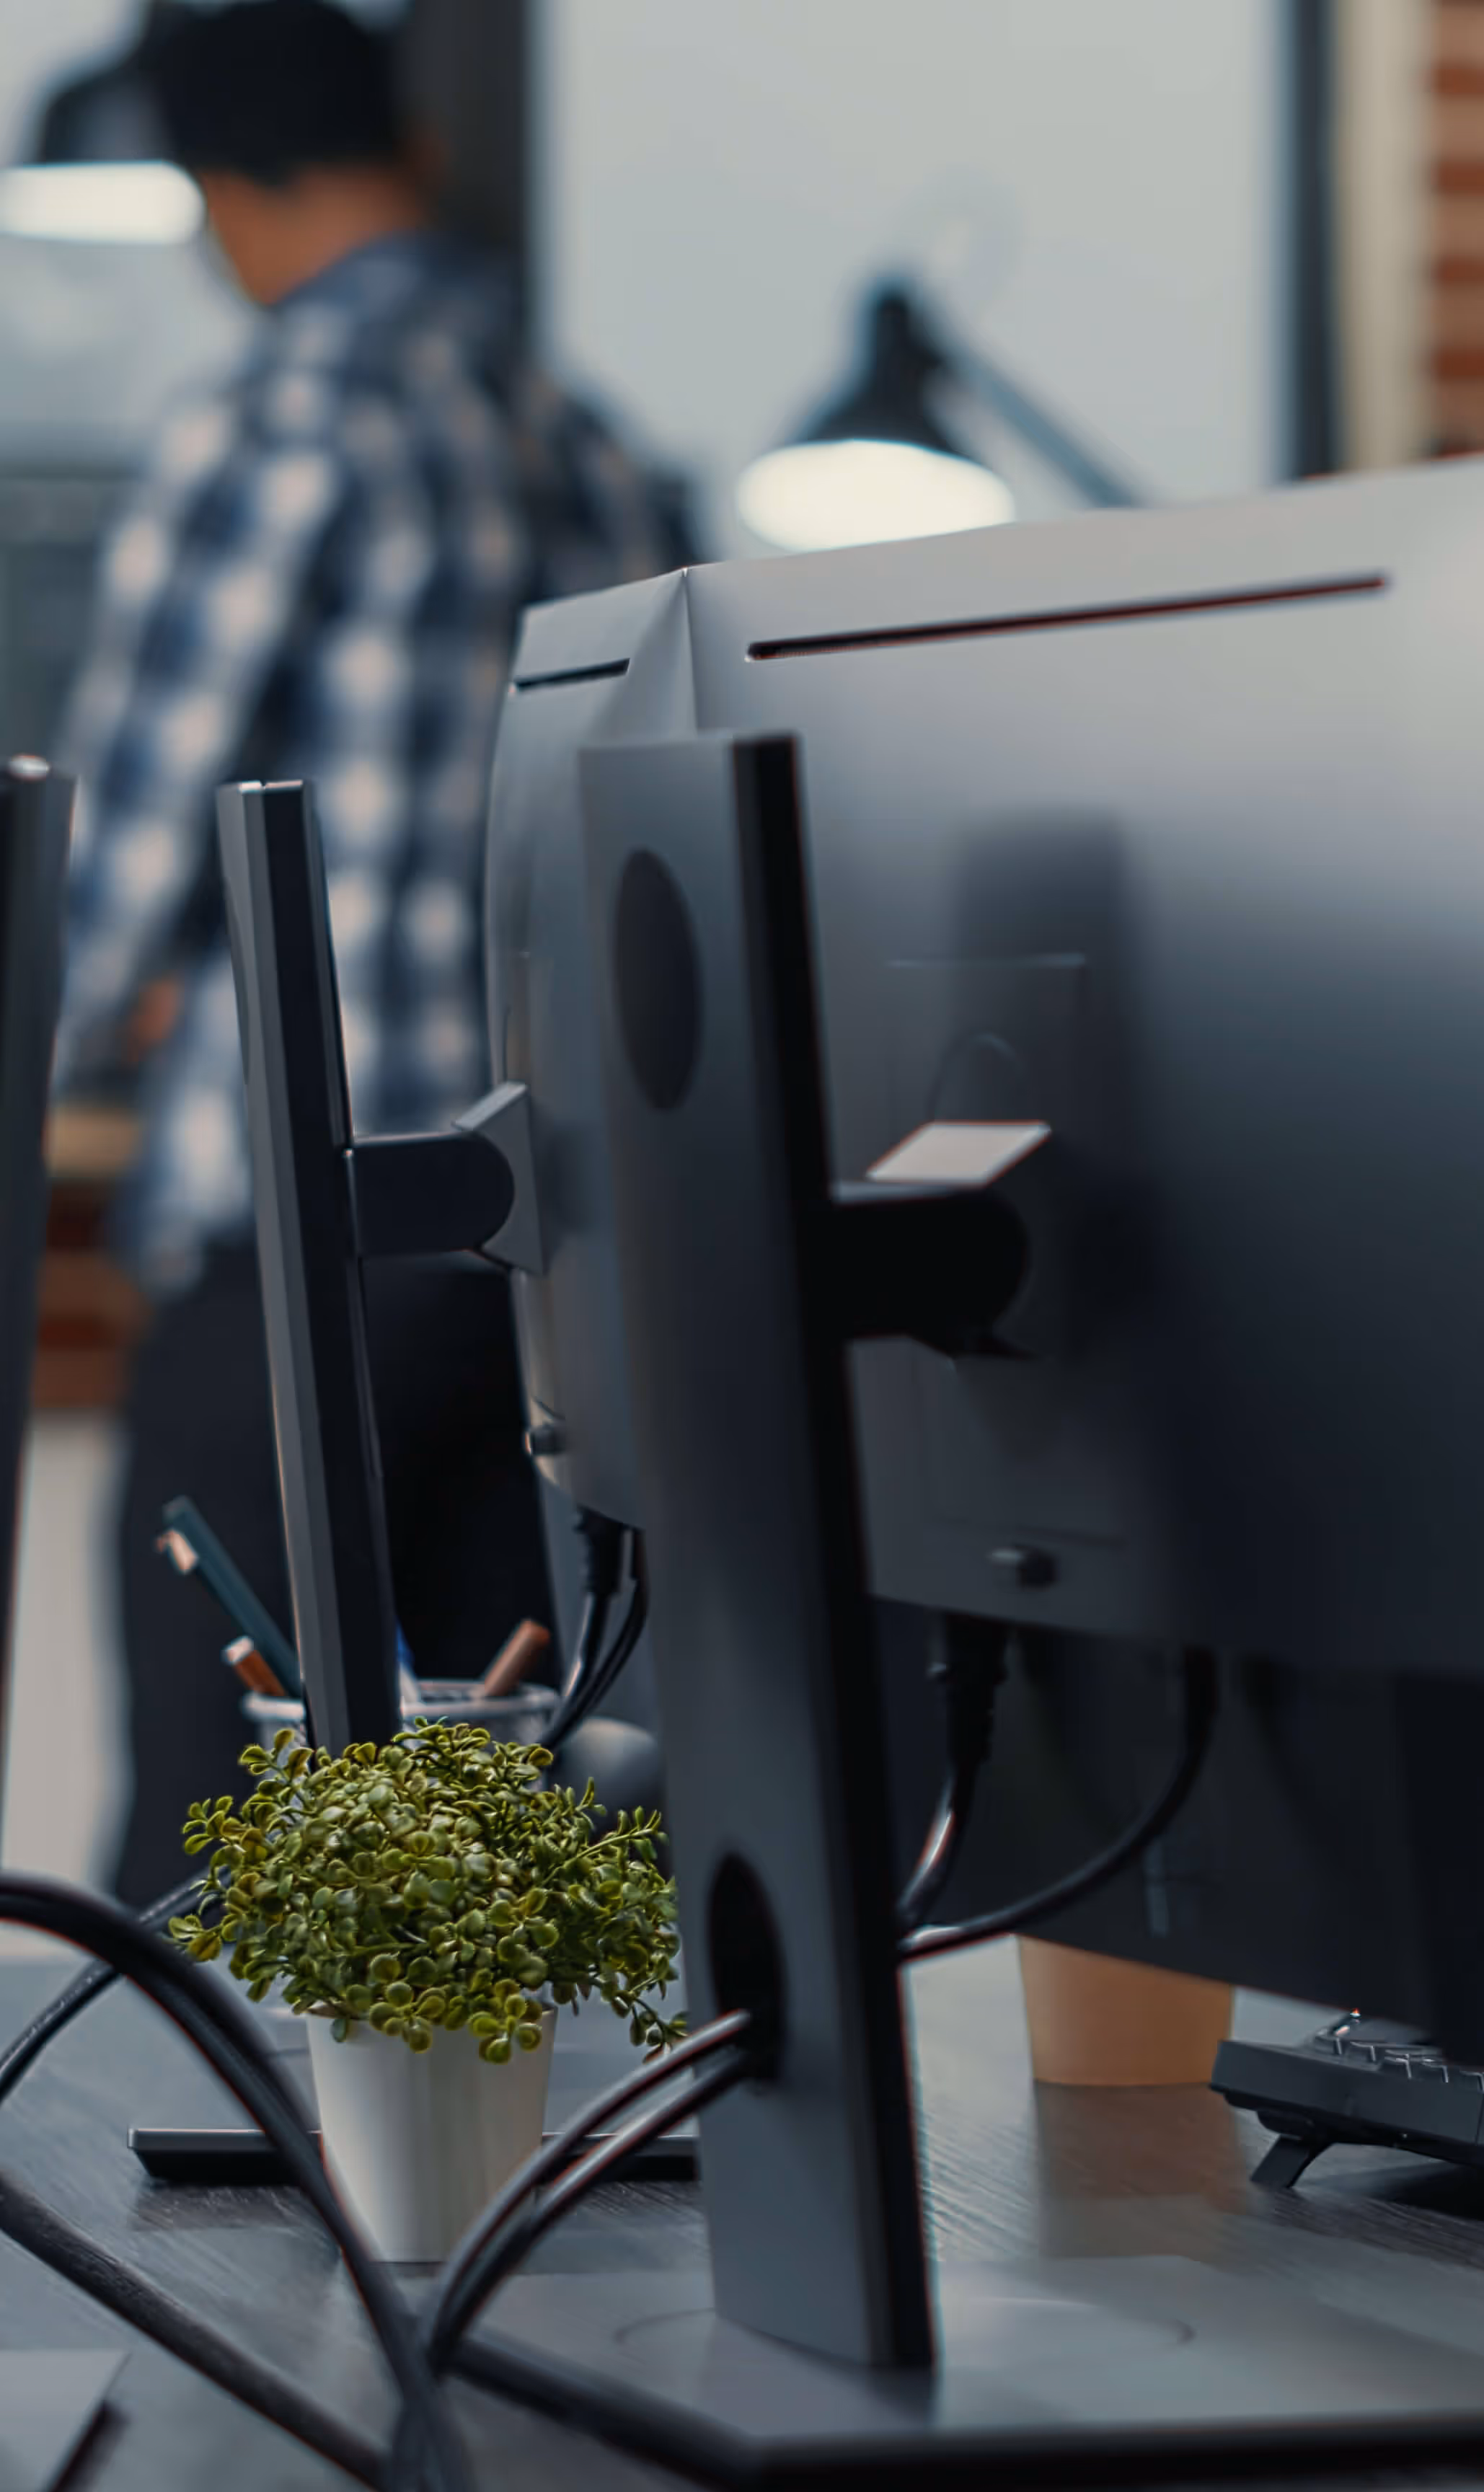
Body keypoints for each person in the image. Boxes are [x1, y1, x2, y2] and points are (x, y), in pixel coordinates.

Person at [53, 0, 681, 1901]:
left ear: (220, 193)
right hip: (542, 1250)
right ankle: (490, 2198)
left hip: (300, 1240)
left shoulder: (283, 419)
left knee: (213, 1822)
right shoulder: (595, 448)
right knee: (495, 1835)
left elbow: (119, 860)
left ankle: (169, 2199)